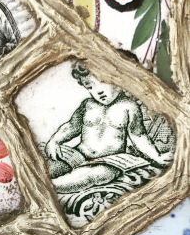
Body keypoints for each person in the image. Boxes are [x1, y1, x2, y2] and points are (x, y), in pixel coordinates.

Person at [45, 62, 173, 194]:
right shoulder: (88, 105)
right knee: (48, 168)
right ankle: (43, 183)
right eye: (90, 86)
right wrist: (54, 141)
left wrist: (157, 157)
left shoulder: (129, 106)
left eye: (102, 82)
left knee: (94, 175)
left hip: (110, 161)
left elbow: (138, 135)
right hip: (79, 154)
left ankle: (53, 187)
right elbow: (71, 126)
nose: (98, 91)